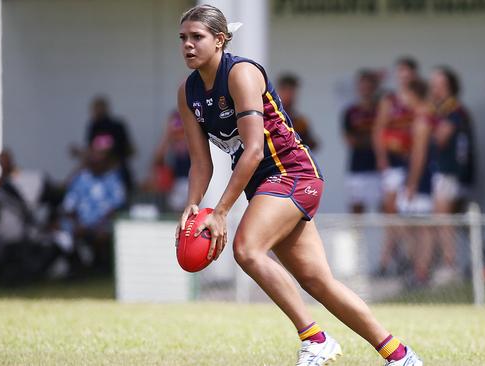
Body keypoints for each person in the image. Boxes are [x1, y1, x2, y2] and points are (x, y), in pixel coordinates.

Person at [176, 5, 422, 366]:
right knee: (318, 282)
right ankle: (400, 356)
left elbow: (255, 149)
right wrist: (193, 205)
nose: (188, 45)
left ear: (220, 40)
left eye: (197, 37)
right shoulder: (188, 92)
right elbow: (201, 162)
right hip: (264, 183)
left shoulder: (241, 73)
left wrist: (223, 211)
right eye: (183, 38)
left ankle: (315, 338)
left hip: (293, 173)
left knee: (246, 249)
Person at [374, 57, 418, 275]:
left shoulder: (418, 99)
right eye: (400, 71)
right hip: (393, 164)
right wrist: (381, 158)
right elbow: (378, 130)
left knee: (406, 213)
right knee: (391, 211)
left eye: (407, 71)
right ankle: (397, 257)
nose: (403, 76)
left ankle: (404, 258)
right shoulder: (389, 100)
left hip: (411, 164)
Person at [428, 66, 473, 285]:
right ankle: (458, 262)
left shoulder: (453, 110)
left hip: (449, 173)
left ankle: (450, 265)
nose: (432, 88)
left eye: (436, 84)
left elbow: (440, 138)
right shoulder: (444, 110)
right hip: (448, 173)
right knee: (451, 220)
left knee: (443, 219)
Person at [61, 139, 126, 272]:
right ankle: (77, 268)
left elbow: (118, 206)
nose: (96, 164)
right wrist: (78, 224)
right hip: (79, 224)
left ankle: (100, 267)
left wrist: (97, 225)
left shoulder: (113, 179)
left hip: (103, 224)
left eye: (99, 161)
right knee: (62, 231)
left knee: (103, 234)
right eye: (93, 161)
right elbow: (69, 206)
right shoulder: (80, 178)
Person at [398, 79, 436, 285]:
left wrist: (412, 183)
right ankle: (417, 268)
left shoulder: (422, 120)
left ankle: (421, 270)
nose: (402, 99)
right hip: (416, 179)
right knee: (413, 224)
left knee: (420, 226)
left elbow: (419, 155)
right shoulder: (419, 117)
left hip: (420, 181)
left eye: (404, 94)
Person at [72, 96, 136, 194]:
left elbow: (103, 150)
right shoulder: (97, 125)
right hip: (113, 171)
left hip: (114, 170)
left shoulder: (110, 126)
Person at [341, 70, 381, 213]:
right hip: (357, 167)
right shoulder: (350, 112)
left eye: (369, 86)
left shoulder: (380, 110)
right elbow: (350, 140)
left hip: (378, 169)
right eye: (362, 86)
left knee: (383, 209)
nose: (365, 90)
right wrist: (374, 139)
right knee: (356, 210)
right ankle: (356, 236)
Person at [144, 110, 191, 212]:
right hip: (176, 183)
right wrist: (168, 134)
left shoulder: (192, 138)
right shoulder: (171, 140)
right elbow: (156, 160)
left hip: (193, 181)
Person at [276, 73, 319, 151]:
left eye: (293, 92)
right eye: (287, 91)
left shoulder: (300, 122)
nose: (291, 96)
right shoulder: (271, 118)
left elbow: (312, 145)